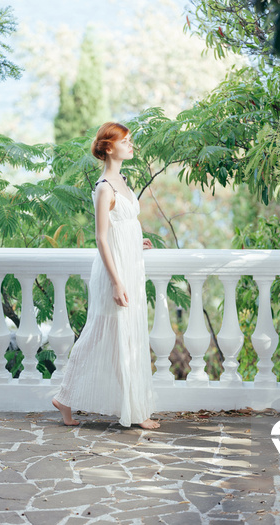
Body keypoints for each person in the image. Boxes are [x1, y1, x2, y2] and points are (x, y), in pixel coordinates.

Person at [52, 122, 159, 429]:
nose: (132, 145)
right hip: (114, 274)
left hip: (129, 265)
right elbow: (100, 237)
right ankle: (66, 397)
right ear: (109, 148)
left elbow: (118, 227)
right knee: (98, 335)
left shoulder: (122, 181)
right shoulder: (104, 188)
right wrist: (116, 282)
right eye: (126, 141)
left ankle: (131, 407)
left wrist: (133, 241)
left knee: (124, 338)